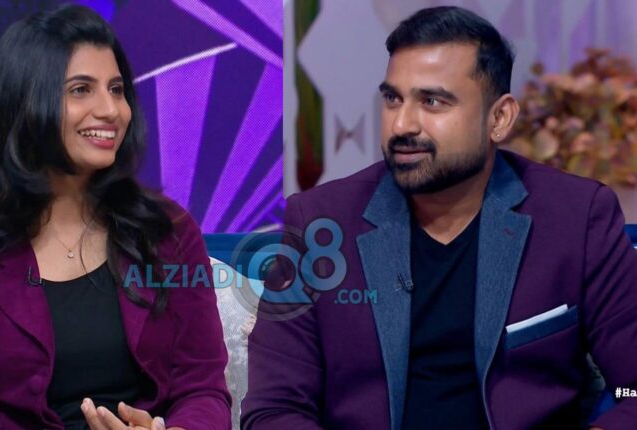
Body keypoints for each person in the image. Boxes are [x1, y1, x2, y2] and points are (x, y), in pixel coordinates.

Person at [241, 6, 637, 430]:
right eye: (393, 99)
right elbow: (274, 409)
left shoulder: (576, 217)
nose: (402, 125)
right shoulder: (321, 224)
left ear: (499, 118)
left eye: (432, 101)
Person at [0, 5, 231, 430]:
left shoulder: (168, 231)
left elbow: (203, 389)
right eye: (81, 90)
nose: (111, 110)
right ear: (24, 102)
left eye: (116, 89)